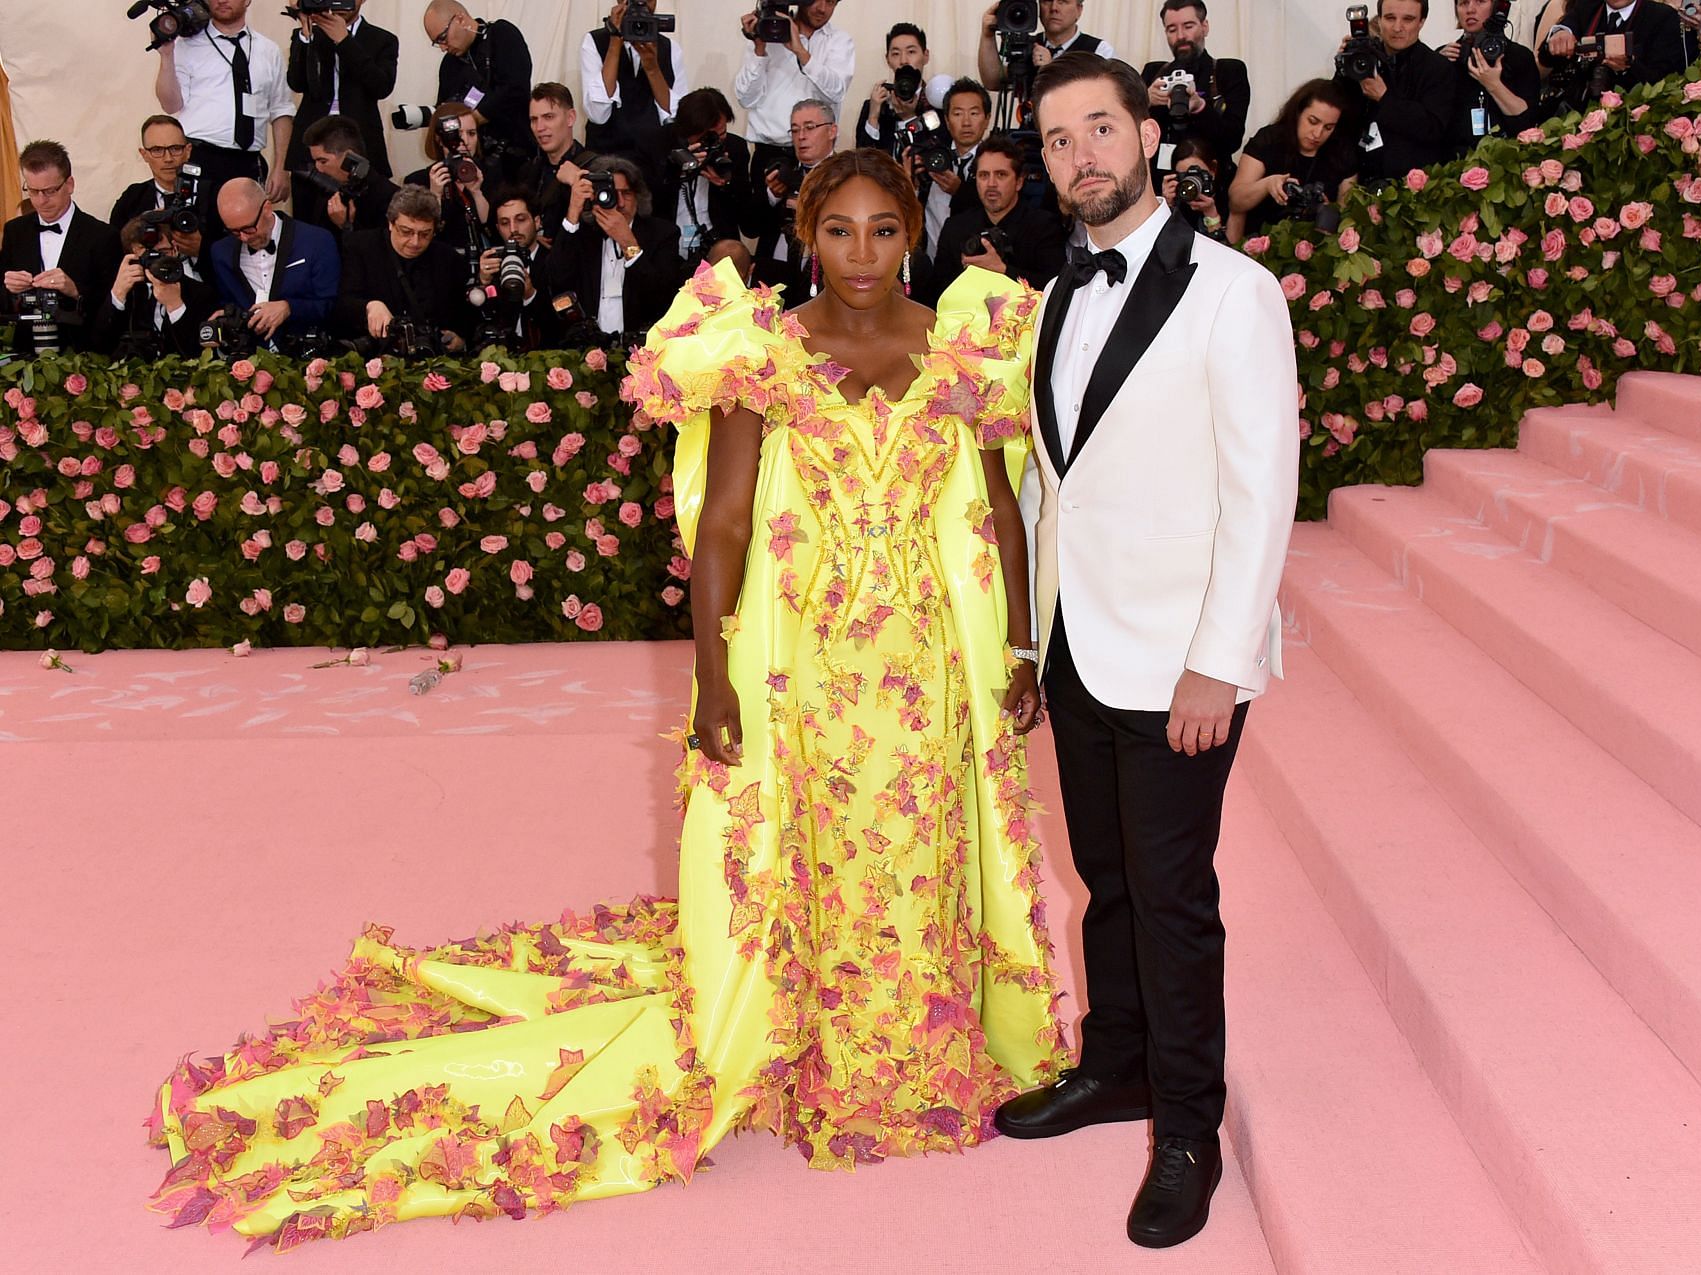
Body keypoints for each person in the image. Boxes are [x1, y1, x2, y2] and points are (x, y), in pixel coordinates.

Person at [149, 148, 1066, 1254]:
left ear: (912, 230)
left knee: (922, 845)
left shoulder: (966, 339)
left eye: (882, 231)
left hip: (929, 657)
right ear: (806, 236)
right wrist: (714, 676)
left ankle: (919, 1045)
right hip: (807, 660)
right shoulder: (758, 350)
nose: (861, 254)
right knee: (821, 847)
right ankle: (811, 1041)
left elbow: (1002, 509)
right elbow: (723, 526)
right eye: (838, 231)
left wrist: (1018, 648)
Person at [991, 53, 1296, 1250]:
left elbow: (1262, 489)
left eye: (1100, 129)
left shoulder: (1234, 291)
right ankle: (1112, 1067)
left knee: (1170, 896)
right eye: (1059, 140)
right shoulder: (1053, 294)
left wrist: (1218, 662)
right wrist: (1030, 640)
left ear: (1149, 137)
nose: (1082, 157)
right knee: (1106, 880)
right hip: (1078, 644)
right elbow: (1046, 482)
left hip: (1183, 658)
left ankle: (1187, 1129)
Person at [153, 0, 297, 211]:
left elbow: (282, 110)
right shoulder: (186, 45)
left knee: (247, 235)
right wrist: (166, 55)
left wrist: (282, 168)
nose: (221, 0)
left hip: (249, 161)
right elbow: (170, 104)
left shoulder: (268, 50)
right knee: (197, 236)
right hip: (201, 159)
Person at [3, 140, 120, 356]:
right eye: (33, 191)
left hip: (83, 355)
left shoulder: (102, 235)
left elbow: (114, 305)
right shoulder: (14, 231)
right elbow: (4, 305)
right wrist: (8, 287)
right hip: (26, 357)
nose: (41, 201)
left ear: (70, 184)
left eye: (49, 191)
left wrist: (75, 290)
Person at [549, 156, 681, 341]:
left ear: (637, 196)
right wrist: (573, 211)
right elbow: (557, 278)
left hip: (640, 348)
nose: (619, 203)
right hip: (587, 347)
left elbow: (662, 298)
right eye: (610, 193)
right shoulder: (582, 234)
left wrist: (628, 244)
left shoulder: (663, 234)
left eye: (626, 193)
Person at [734, 0, 856, 197]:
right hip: (768, 154)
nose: (822, 9)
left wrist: (801, 52)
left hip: (817, 158)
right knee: (764, 225)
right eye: (816, 0)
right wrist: (759, 48)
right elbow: (745, 99)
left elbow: (836, 91)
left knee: (818, 224)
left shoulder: (840, 41)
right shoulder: (768, 33)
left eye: (831, 2)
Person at [207, 177, 340, 352]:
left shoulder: (316, 241)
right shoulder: (221, 252)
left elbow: (333, 305)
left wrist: (289, 308)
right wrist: (227, 316)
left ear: (267, 209)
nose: (244, 238)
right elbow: (229, 302)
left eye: (248, 228)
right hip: (249, 360)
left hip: (307, 355)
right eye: (234, 231)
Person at [335, 185, 472, 354]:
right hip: (374, 356)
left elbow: (463, 315)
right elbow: (341, 305)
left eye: (425, 234)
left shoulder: (447, 258)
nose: (415, 242)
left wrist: (459, 340)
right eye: (406, 232)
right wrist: (369, 306)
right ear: (391, 223)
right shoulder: (361, 247)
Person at [929, 133, 1067, 299]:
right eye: (983, 175)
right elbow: (936, 292)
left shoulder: (1043, 226)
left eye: (1001, 175)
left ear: (1019, 181)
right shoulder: (955, 227)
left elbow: (1057, 288)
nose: (991, 184)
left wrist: (1003, 270)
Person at [582, 0, 687, 213]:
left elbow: (675, 117)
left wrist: (652, 66)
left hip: (655, 167)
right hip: (608, 165)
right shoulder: (594, 42)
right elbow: (598, 113)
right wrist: (615, 40)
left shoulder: (670, 49)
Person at [1231, 80, 1361, 238]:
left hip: (1315, 246)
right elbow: (1236, 201)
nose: (1318, 134)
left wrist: (1330, 210)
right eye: (1313, 121)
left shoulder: (1342, 152)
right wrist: (1267, 185)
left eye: (1328, 127)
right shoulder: (1269, 140)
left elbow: (1347, 216)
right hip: (1260, 242)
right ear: (1298, 113)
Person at [1345, 0, 1458, 182]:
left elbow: (1433, 129)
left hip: (1416, 187)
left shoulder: (1438, 68)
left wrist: (1384, 98)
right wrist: (1346, 64)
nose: (1398, 27)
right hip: (1363, 181)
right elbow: (1338, 115)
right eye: (1390, 18)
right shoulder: (1363, 61)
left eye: (1408, 19)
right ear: (1379, 20)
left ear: (1421, 22)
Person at [286, 0, 399, 179]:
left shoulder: (383, 40)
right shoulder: (310, 35)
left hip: (360, 141)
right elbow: (296, 83)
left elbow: (381, 86)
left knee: (362, 205)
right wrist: (306, 35)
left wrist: (344, 41)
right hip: (311, 142)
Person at [1139, 2, 1250, 183]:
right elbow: (1133, 136)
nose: (1181, 36)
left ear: (1205, 27)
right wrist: (1144, 102)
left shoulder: (1228, 71)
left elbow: (1232, 141)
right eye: (1172, 29)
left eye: (1188, 26)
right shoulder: (1154, 73)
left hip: (1212, 183)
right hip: (1159, 183)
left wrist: (1200, 108)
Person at [423, 0, 537, 170]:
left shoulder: (501, 34)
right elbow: (446, 109)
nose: (442, 47)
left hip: (516, 154)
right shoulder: (449, 64)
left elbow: (516, 88)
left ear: (460, 19)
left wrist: (473, 118)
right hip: (470, 161)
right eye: (436, 42)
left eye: (442, 38)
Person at [745, 98, 837, 304]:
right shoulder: (781, 171)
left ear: (832, 131)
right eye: (795, 130)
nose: (801, 137)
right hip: (772, 275)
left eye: (810, 128)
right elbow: (749, 228)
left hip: (819, 276)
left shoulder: (845, 177)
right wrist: (772, 196)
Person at [94, 215, 218, 359]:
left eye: (163, 254)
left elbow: (201, 356)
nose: (156, 263)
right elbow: (99, 346)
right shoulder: (125, 291)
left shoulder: (201, 293)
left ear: (175, 250)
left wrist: (175, 307)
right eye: (148, 256)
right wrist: (117, 295)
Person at [664, 88, 755, 278]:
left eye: (722, 134)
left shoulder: (734, 149)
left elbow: (749, 221)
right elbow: (648, 204)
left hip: (717, 253)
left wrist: (726, 184)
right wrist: (679, 171)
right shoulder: (661, 146)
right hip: (669, 252)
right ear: (688, 133)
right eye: (710, 137)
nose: (717, 142)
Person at [1440, 0, 1542, 153]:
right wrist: (1435, 65)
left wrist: (1493, 84)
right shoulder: (1446, 58)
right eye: (1463, 3)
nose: (1470, 9)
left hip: (1508, 158)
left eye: (1480, 1)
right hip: (1455, 163)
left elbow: (1528, 125)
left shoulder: (1519, 57)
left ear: (1496, 7)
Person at [402, 103, 494, 262]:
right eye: (457, 134)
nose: (465, 141)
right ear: (439, 138)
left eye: (471, 133)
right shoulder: (418, 181)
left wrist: (477, 193)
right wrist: (435, 195)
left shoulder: (489, 173)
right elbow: (420, 237)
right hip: (438, 265)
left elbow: (494, 229)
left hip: (484, 263)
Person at [913, 79, 991, 258]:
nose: (966, 122)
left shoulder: (995, 163)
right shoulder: (933, 160)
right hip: (932, 267)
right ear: (947, 121)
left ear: (987, 119)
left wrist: (961, 191)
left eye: (974, 113)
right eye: (957, 114)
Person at [1540, 0, 1688, 95]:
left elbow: (1665, 80)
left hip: (1634, 114)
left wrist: (1629, 66)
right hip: (1580, 108)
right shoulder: (1586, 7)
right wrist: (1559, 34)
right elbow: (1546, 59)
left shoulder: (1662, 16)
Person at [109, 116, 210, 252]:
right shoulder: (132, 199)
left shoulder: (214, 196)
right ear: (144, 154)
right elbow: (116, 251)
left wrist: (204, 249)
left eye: (175, 149)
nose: (168, 158)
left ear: (188, 151)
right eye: (157, 150)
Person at [977, 0, 1118, 95]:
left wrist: (1051, 68)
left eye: (1063, 1)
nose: (1054, 8)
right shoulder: (1027, 44)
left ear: (1079, 10)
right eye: (1047, 0)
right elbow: (993, 82)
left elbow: (1104, 97)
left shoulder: (1099, 50)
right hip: (1028, 135)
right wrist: (987, 35)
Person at [294, 115, 397, 243]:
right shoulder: (325, 190)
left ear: (350, 158)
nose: (318, 168)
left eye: (323, 161)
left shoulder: (389, 197)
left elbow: (382, 254)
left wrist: (346, 226)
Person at [857, 23, 955, 154]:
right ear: (887, 59)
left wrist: (910, 118)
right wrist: (873, 117)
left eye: (911, 52)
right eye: (896, 54)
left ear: (925, 56)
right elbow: (863, 161)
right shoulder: (875, 106)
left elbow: (939, 156)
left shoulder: (939, 105)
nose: (903, 61)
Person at [477, 186, 552, 348]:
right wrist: (483, 283)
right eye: (505, 223)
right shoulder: (492, 265)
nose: (513, 229)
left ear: (537, 221)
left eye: (520, 219)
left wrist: (531, 295)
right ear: (498, 228)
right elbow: (476, 325)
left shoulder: (554, 262)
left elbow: (561, 324)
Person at [521, 83, 597, 240]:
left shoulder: (594, 168)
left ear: (570, 118)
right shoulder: (529, 171)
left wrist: (578, 181)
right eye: (534, 119)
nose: (539, 127)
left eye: (548, 117)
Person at [1159, 138, 1239, 243]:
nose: (1191, 183)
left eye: (1197, 174)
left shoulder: (1229, 198)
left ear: (1213, 170)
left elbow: (1227, 254)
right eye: (1185, 176)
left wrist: (1211, 215)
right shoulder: (1176, 202)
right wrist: (1166, 206)